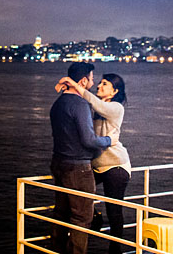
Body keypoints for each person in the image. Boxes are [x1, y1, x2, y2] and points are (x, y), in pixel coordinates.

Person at [56, 73, 130, 254]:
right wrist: (67, 90)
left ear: (115, 91)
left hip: (115, 165)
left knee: (113, 210)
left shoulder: (116, 107)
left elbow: (94, 101)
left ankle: (115, 250)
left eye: (105, 84)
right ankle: (93, 215)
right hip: (96, 165)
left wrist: (73, 82)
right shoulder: (95, 108)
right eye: (99, 83)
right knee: (79, 194)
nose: (99, 86)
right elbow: (77, 103)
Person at [50, 62, 112, 254]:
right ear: (83, 81)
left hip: (58, 163)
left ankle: (56, 250)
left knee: (61, 214)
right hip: (78, 168)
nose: (93, 82)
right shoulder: (80, 104)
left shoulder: (58, 104)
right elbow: (88, 139)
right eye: (92, 79)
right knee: (82, 218)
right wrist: (108, 140)